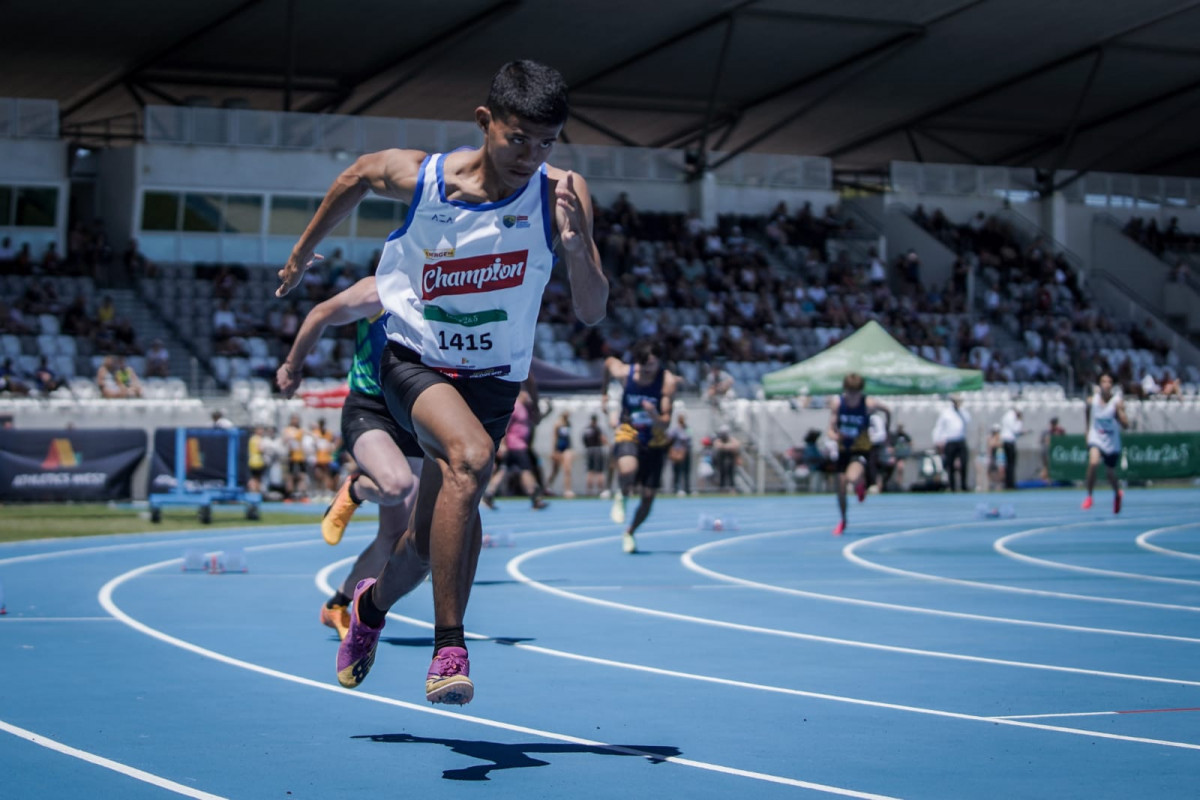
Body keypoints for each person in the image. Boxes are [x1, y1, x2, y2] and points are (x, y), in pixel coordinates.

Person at [275, 60, 606, 704]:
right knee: (472, 458)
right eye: (519, 139)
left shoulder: (561, 193)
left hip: (491, 383)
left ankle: (369, 609)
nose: (532, 156)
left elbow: (592, 310)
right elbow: (355, 176)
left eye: (548, 142)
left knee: (425, 549)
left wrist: (577, 245)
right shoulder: (424, 176)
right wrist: (299, 252)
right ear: (485, 123)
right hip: (415, 361)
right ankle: (449, 647)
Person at [276, 276, 424, 640]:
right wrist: (293, 367)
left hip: (416, 414)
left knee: (396, 536)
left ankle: (338, 605)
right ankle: (357, 489)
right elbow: (320, 314)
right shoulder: (378, 290)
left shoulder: (447, 293)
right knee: (395, 485)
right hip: (371, 410)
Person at [603, 339, 679, 554]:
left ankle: (630, 532)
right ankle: (622, 494)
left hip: (655, 439)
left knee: (647, 496)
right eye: (644, 366)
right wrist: (604, 395)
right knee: (628, 469)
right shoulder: (625, 373)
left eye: (652, 365)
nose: (647, 371)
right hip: (629, 431)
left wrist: (654, 414)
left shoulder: (667, 381)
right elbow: (608, 362)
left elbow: (665, 422)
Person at [827, 373, 890, 536]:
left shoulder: (868, 404)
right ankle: (843, 520)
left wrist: (887, 430)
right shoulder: (837, 404)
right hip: (843, 450)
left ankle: (860, 484)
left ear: (861, 391)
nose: (852, 396)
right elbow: (830, 429)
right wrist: (835, 436)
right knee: (840, 487)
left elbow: (887, 410)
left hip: (861, 449)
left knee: (851, 477)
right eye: (849, 392)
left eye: (855, 393)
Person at [1082, 373, 1128, 514]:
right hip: (1096, 438)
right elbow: (1087, 416)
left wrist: (1120, 414)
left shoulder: (1117, 402)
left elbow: (1126, 424)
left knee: (1110, 473)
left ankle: (1117, 494)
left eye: (1109, 382)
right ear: (1099, 384)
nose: (1106, 384)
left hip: (1111, 441)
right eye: (1103, 381)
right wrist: (1087, 432)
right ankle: (1089, 496)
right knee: (1093, 462)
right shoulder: (1092, 401)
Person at [932, 394, 970, 492]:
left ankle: (963, 485)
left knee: (964, 463)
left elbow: (968, 421)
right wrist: (937, 440)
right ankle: (952, 486)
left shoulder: (963, 412)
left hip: (961, 440)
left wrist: (961, 409)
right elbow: (939, 427)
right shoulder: (946, 413)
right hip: (950, 441)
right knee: (950, 465)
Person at [544, 409, 575, 498]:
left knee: (567, 469)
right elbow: (555, 437)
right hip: (558, 449)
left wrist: (572, 449)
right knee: (555, 470)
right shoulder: (557, 424)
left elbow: (569, 438)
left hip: (567, 449)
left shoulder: (569, 424)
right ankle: (547, 487)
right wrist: (553, 451)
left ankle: (567, 490)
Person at [667, 412, 693, 496]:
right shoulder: (675, 430)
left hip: (686, 452)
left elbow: (689, 438)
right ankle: (676, 488)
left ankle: (687, 488)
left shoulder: (688, 428)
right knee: (677, 471)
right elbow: (669, 439)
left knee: (686, 471)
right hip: (677, 452)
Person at [581, 413, 608, 496]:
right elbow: (603, 439)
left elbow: (583, 440)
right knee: (600, 470)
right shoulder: (597, 428)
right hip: (597, 449)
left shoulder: (586, 429)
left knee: (590, 471)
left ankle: (589, 491)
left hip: (588, 450)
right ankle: (601, 490)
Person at [998, 405, 1024, 489]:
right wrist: (1020, 421)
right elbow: (1016, 430)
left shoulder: (1006, 415)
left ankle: (1008, 483)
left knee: (1008, 464)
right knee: (1011, 464)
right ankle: (1010, 484)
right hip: (1009, 441)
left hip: (1005, 441)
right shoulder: (1012, 416)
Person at [712, 425, 741, 493]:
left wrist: (725, 446)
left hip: (730, 460)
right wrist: (728, 446)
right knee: (722, 475)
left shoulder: (731, 439)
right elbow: (717, 445)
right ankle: (722, 489)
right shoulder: (719, 440)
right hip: (721, 460)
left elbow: (736, 445)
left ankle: (732, 489)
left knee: (731, 474)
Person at [1039, 416, 1065, 481]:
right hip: (1047, 451)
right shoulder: (1047, 432)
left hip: (1056, 453)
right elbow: (1042, 441)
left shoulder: (1060, 431)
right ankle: (1045, 480)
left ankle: (1051, 479)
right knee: (1046, 465)